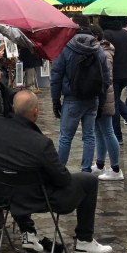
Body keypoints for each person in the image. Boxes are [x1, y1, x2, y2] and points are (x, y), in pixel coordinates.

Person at [0, 90, 114, 253]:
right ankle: (84, 241)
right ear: (35, 112)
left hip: (5, 196)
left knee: (18, 179)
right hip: (37, 199)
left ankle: (29, 233)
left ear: (12, 108)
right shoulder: (41, 144)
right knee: (88, 180)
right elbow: (64, 180)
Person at [50, 29, 108, 173]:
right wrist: (102, 102)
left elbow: (56, 75)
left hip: (72, 98)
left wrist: (55, 100)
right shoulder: (98, 50)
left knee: (65, 137)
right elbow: (106, 79)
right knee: (89, 136)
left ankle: (60, 170)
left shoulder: (67, 48)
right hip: (92, 98)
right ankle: (86, 169)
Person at [88, 25, 123, 181]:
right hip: (98, 96)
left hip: (104, 96)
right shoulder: (99, 50)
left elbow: (105, 76)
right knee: (99, 131)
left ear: (95, 36)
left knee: (108, 131)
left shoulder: (104, 52)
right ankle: (100, 164)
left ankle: (116, 169)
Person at [103, 18, 127, 142]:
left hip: (113, 74)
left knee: (113, 104)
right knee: (116, 101)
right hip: (125, 74)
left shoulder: (107, 34)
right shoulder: (125, 34)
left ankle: (119, 135)